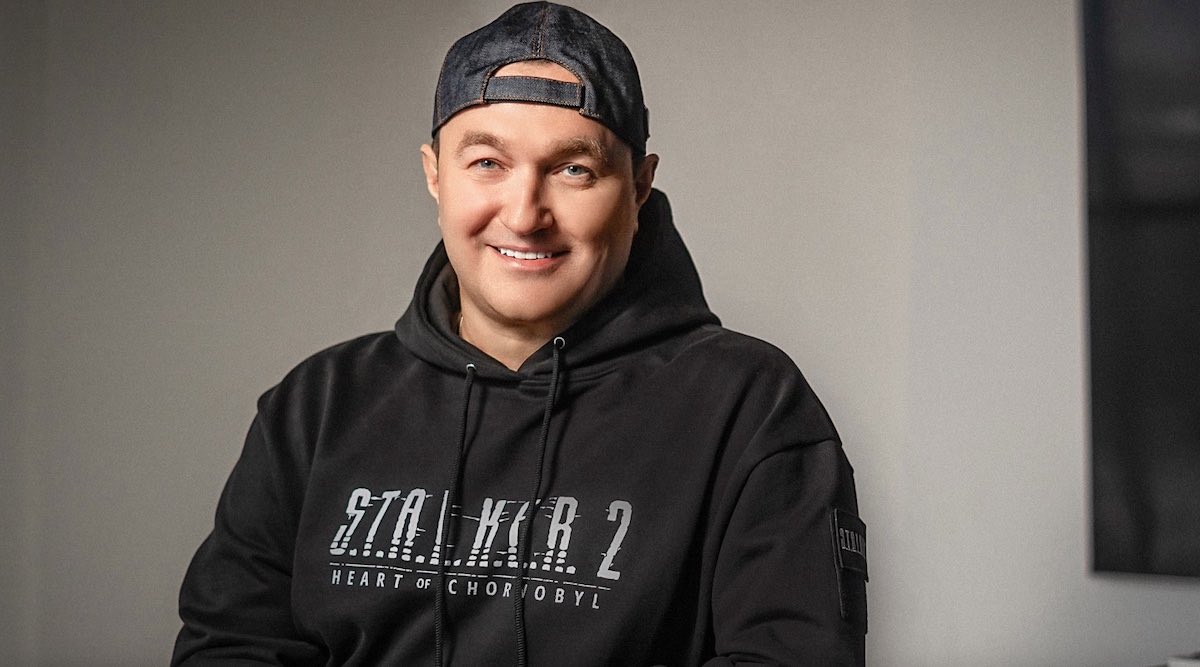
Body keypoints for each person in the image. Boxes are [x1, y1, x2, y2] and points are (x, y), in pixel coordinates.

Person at [172, 2, 867, 665]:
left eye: (574, 169)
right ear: (435, 175)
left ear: (638, 188)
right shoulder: (317, 407)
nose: (526, 214)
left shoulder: (749, 407)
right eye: (488, 163)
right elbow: (229, 649)